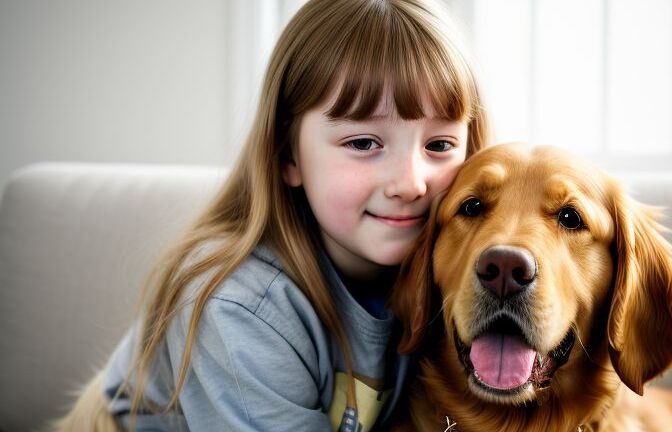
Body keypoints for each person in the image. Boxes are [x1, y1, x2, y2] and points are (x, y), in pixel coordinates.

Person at [56, 0, 488, 430]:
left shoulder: (447, 274)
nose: (410, 183)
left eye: (439, 145)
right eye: (363, 143)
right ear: (288, 155)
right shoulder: (240, 308)